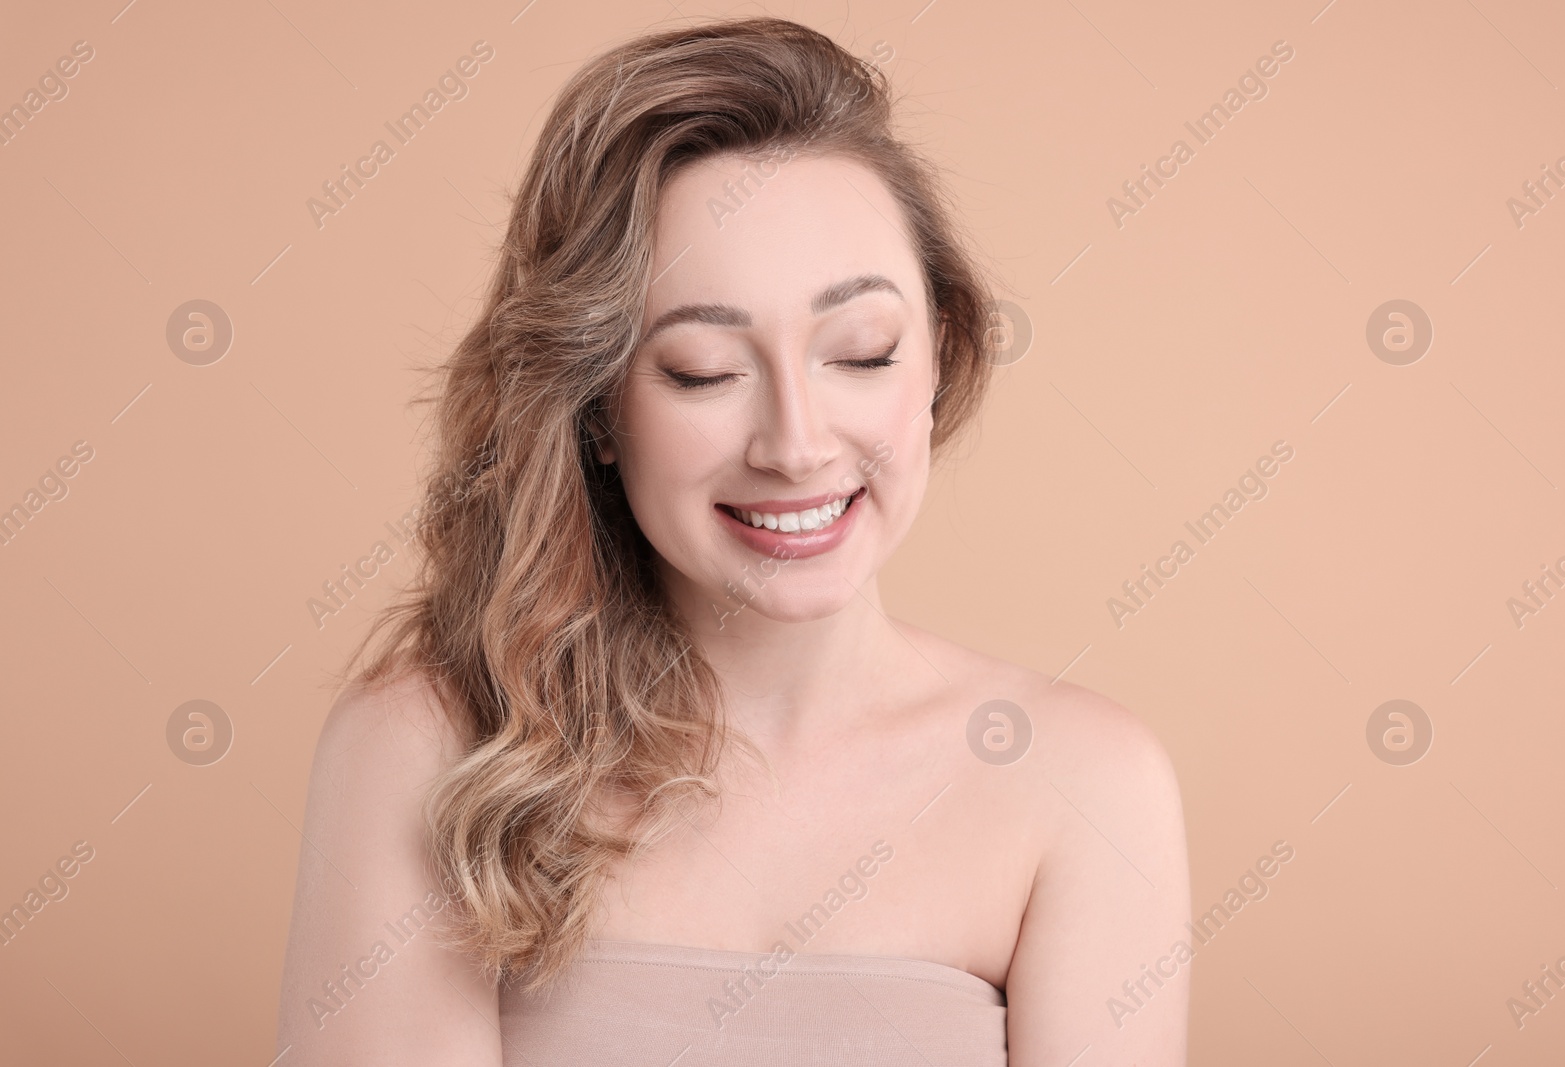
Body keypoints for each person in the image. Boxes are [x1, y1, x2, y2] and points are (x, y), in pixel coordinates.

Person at [275, 15, 1188, 1066]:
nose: (797, 444)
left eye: (862, 349)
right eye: (703, 368)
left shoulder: (1084, 782)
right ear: (597, 410)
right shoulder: (429, 748)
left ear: (939, 355)